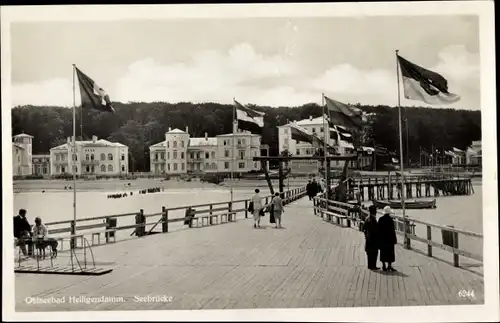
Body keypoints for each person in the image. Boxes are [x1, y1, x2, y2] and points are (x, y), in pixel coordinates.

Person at [378, 206, 397, 272]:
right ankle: (389, 266)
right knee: (390, 252)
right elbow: (392, 230)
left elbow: (379, 230)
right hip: (390, 239)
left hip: (383, 238)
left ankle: (383, 266)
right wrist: (395, 239)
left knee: (383, 252)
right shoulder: (390, 219)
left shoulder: (380, 219)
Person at [362, 205, 380, 270]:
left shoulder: (367, 218)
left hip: (368, 238)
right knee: (374, 252)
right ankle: (373, 266)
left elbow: (363, 228)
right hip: (374, 238)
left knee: (369, 253)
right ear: (374, 212)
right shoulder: (373, 220)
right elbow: (376, 229)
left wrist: (365, 235)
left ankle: (370, 265)